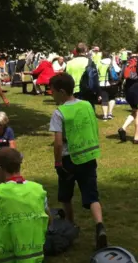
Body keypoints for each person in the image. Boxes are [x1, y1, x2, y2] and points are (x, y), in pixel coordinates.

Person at [49, 74, 108, 248]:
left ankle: (70, 226)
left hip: (70, 159)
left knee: (65, 196)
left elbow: (58, 143)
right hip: (89, 157)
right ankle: (99, 226)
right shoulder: (87, 105)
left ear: (61, 91)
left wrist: (58, 163)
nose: (50, 93)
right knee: (92, 195)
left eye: (51, 90)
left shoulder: (59, 113)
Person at [117, 44, 138, 144]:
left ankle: (123, 128)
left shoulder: (129, 59)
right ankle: (136, 138)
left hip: (128, 88)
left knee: (135, 111)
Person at [96, 52, 119, 121]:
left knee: (104, 99)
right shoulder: (112, 62)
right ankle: (110, 113)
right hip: (112, 83)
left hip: (102, 82)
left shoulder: (99, 62)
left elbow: (96, 72)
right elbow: (118, 70)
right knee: (112, 97)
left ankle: (105, 116)